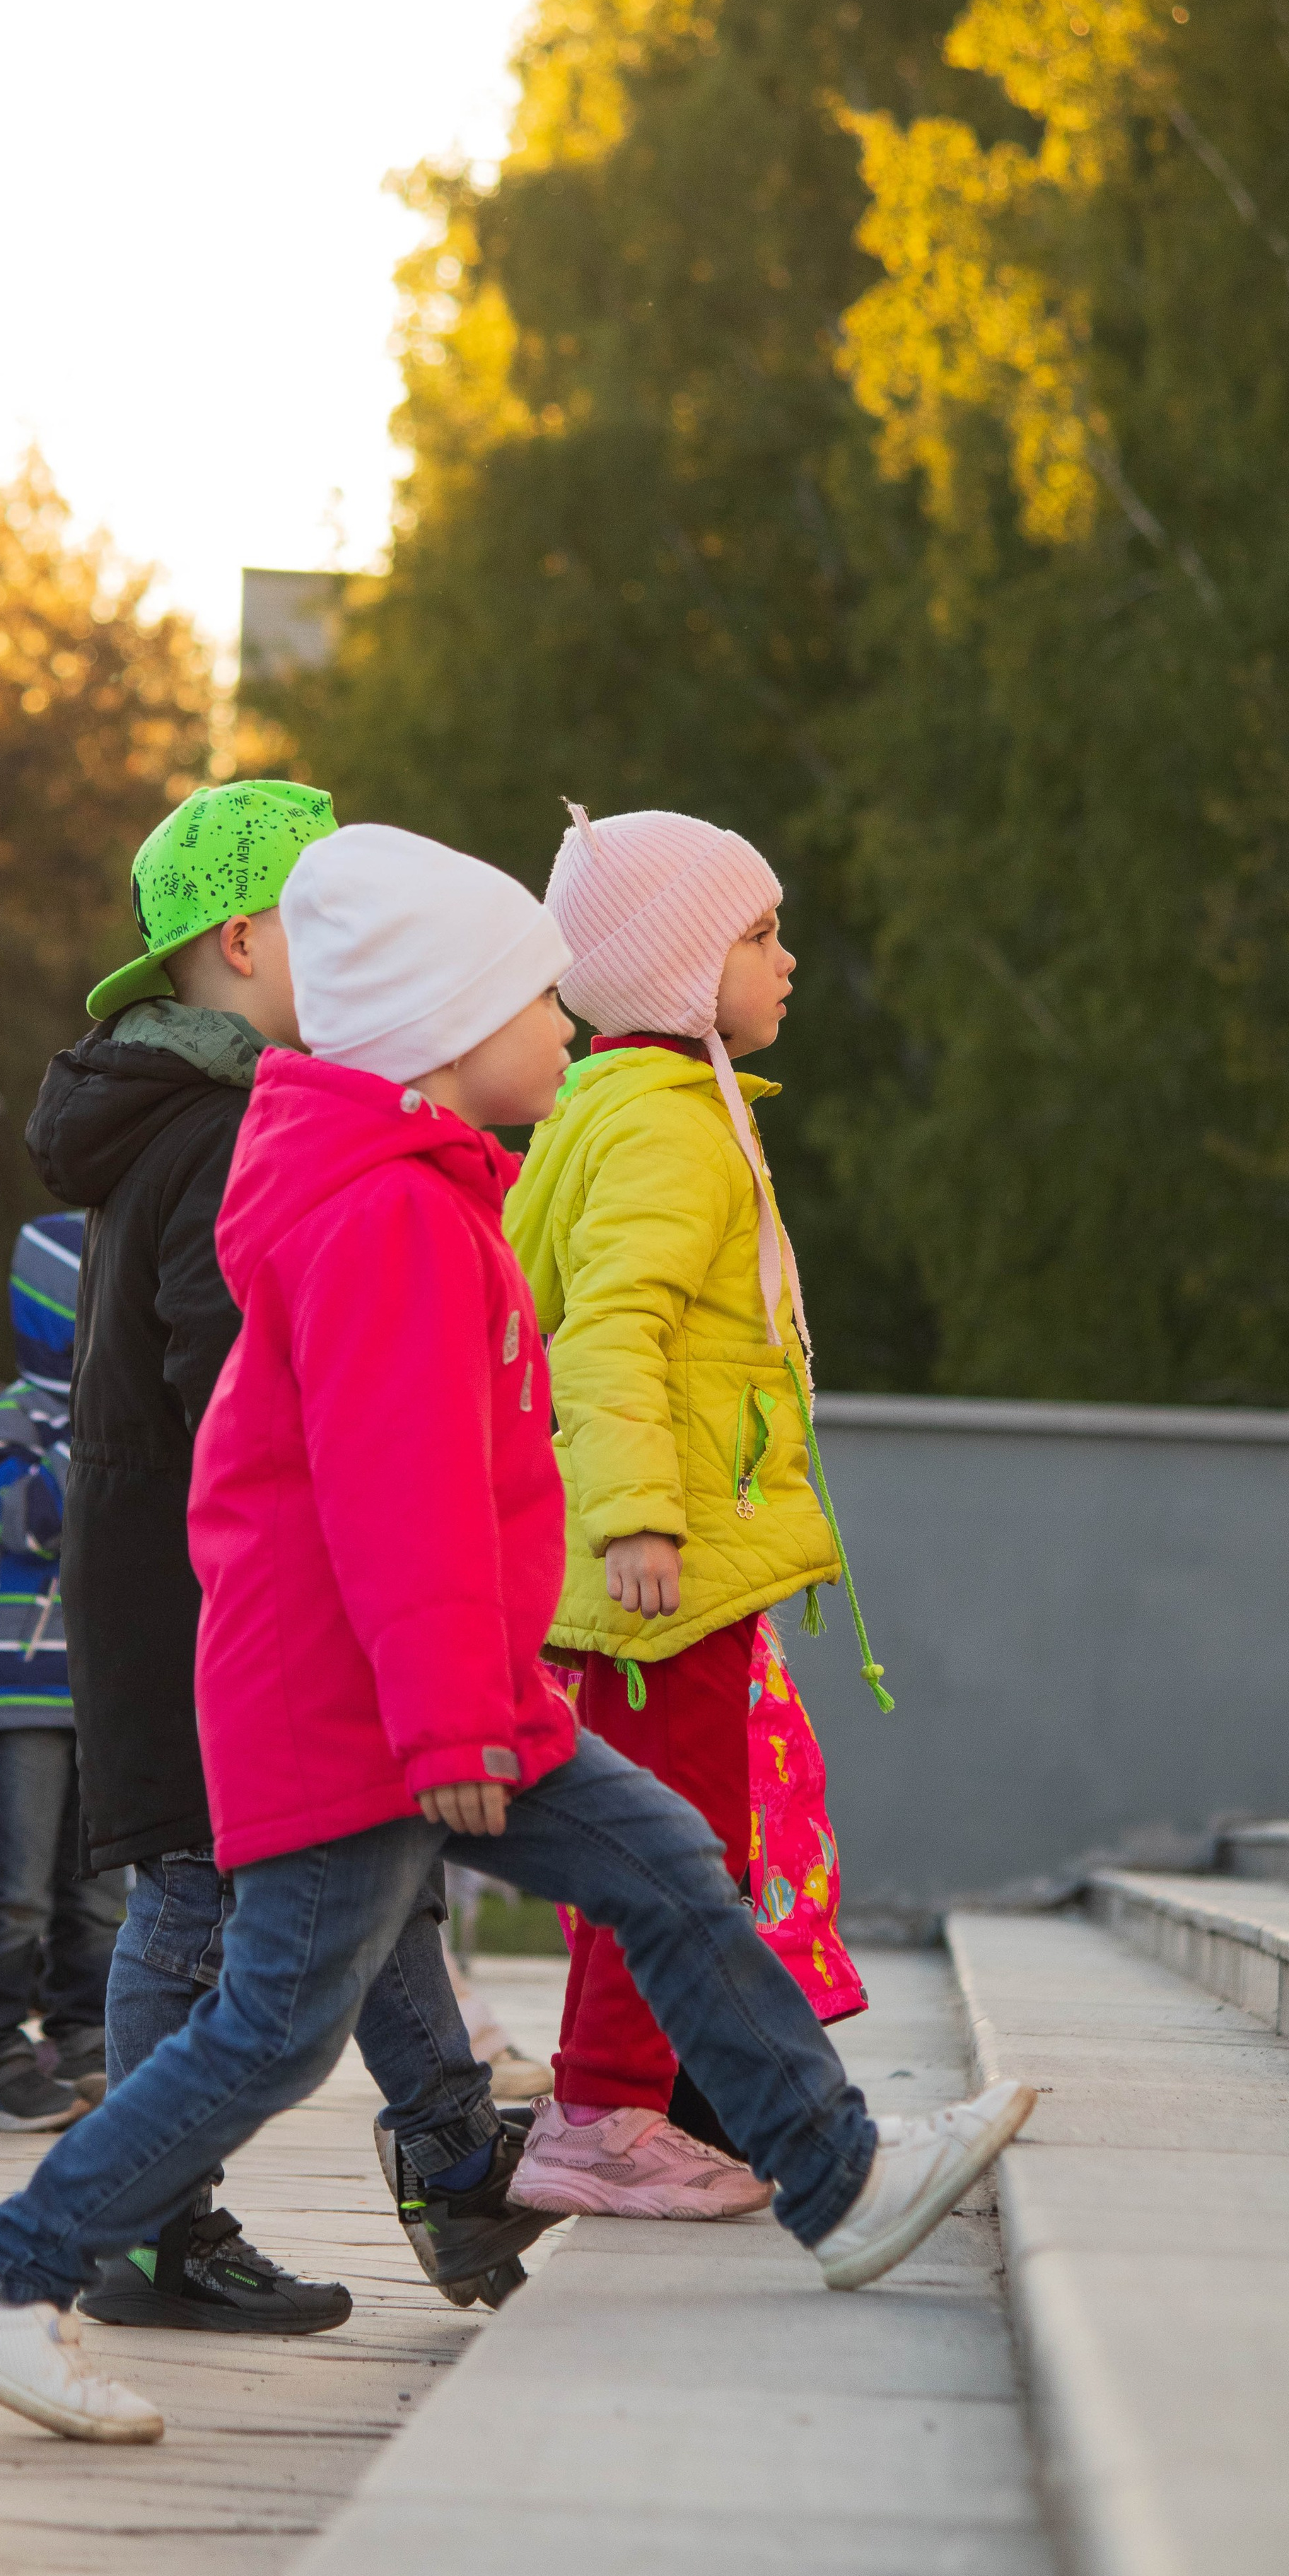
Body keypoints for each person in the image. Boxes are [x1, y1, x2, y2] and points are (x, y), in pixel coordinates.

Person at [0, 824, 1034, 2444]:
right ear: (441, 1034)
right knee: (272, 2031)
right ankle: (0, 2278)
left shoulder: (415, 1193)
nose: (567, 1033)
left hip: (414, 1694)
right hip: (371, 1711)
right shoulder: (389, 1223)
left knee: (653, 1870)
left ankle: (837, 2176)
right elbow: (394, 1497)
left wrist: (466, 1699)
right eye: (537, 1008)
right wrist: (450, 1728)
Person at [25, 780, 546, 2334]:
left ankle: (456, 2161)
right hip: (214, 1585)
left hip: (201, 1566)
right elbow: (229, 1374)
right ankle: (135, 2229)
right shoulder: (238, 1118)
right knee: (198, 1894)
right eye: (331, 915)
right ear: (250, 941)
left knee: (355, 1869)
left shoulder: (192, 1110)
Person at [502, 805, 877, 2219]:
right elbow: (608, 1334)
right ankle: (603, 2115)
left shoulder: (624, 1105)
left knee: (679, 1841)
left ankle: (649, 2105)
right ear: (672, 968)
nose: (785, 962)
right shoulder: (664, 1128)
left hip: (663, 1556)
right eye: (757, 935)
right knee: (677, 1848)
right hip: (663, 1570)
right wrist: (640, 1523)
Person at [0, 1212, 126, 2133]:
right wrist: (89, 1427)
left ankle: (84, 2038)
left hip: (100, 1697)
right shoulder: (8, 1419)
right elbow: (28, 1520)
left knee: (96, 1892)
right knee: (14, 1886)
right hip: (18, 1694)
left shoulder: (129, 1418)